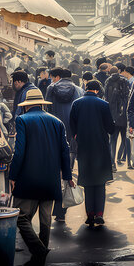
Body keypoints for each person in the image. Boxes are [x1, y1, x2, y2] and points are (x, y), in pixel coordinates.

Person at [9, 89, 73, 266]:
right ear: (42, 104)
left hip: (28, 178)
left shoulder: (22, 120)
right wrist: (67, 176)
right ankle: (40, 260)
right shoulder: (57, 121)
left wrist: (12, 175)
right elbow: (64, 151)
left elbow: (19, 151)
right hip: (50, 178)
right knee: (45, 221)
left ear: (27, 105)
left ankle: (39, 251)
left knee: (21, 218)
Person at [70, 80, 115, 226]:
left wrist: (77, 135)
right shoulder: (104, 104)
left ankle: (89, 214)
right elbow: (110, 128)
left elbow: (72, 124)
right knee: (100, 182)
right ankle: (99, 214)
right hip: (100, 147)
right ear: (97, 90)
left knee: (88, 183)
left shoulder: (76, 104)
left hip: (84, 148)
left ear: (86, 89)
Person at [45, 67, 84, 222]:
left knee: (54, 173)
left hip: (54, 135)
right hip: (72, 137)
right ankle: (61, 211)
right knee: (67, 172)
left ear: (59, 77)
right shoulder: (79, 90)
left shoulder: (50, 88)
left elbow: (47, 110)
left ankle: (47, 209)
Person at [104, 66, 131, 172]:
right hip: (123, 114)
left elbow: (106, 98)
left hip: (112, 114)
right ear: (119, 71)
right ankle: (128, 162)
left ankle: (112, 164)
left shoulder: (107, 82)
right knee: (126, 139)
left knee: (112, 140)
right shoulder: (124, 81)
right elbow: (127, 97)